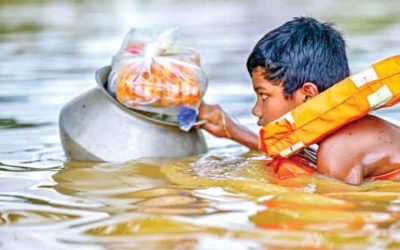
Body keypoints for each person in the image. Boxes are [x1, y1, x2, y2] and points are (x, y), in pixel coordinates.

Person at [197, 17, 400, 185]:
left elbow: (337, 226)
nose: (256, 110)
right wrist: (232, 131)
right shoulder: (350, 135)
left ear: (308, 95)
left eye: (264, 96)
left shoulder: (338, 150)